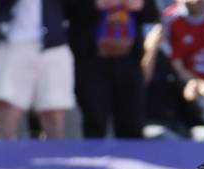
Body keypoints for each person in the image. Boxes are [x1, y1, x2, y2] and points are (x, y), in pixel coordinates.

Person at [68, 0, 159, 138]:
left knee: (131, 122)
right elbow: (65, 11)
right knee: (95, 119)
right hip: (91, 60)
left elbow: (151, 14)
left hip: (128, 60)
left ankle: (132, 158)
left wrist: (139, 5)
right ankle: (94, 158)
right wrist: (96, 4)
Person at [0, 0, 75, 139]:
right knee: (8, 111)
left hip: (53, 44)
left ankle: (56, 158)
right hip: (13, 44)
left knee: (53, 112)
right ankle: (3, 158)